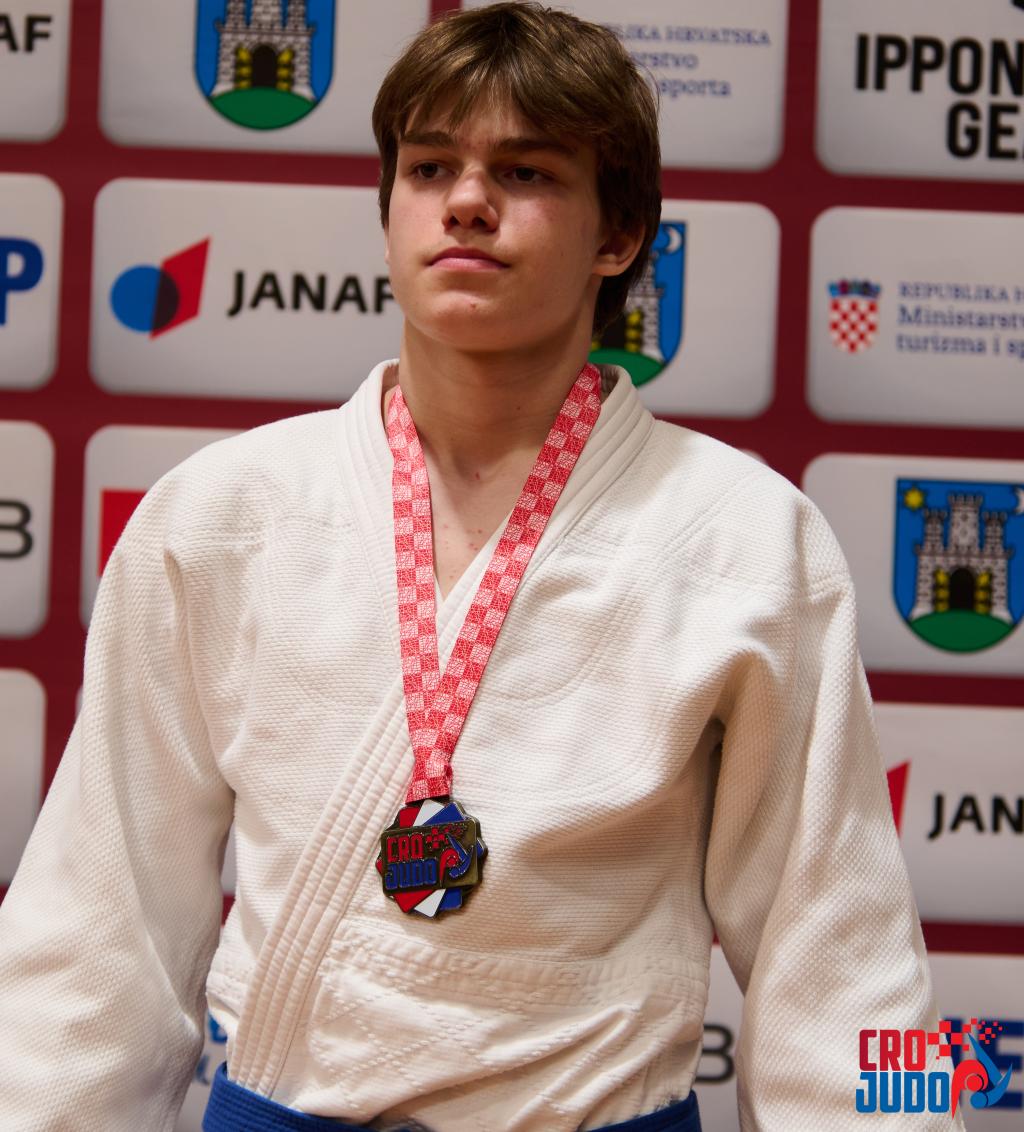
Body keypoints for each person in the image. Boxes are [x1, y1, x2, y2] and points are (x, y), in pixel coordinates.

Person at [0, 4, 960, 1131]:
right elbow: (95, 924)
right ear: (387, 212)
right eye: (429, 167)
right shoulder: (220, 514)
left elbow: (847, 957)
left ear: (619, 236)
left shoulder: (745, 538)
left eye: (525, 171)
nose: (465, 200)